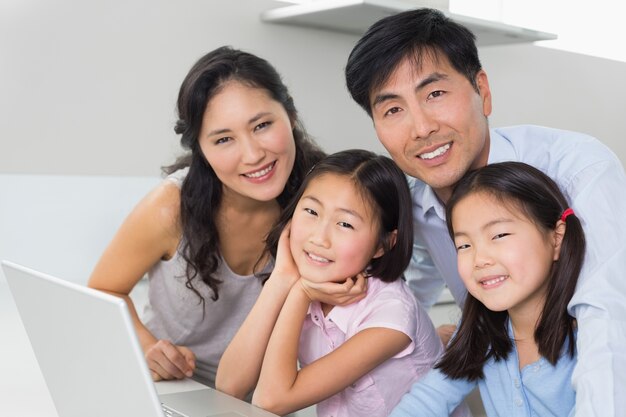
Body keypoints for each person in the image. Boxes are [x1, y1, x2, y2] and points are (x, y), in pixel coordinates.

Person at [345, 8, 626, 415]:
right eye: (393, 110)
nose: (421, 128)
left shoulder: (578, 169)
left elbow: (608, 320)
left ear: (483, 90)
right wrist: (418, 333)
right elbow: (414, 279)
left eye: (435, 94)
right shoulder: (412, 201)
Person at [87, 46, 327, 387]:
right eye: (224, 139)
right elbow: (103, 291)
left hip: (265, 398)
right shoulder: (171, 207)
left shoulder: (324, 199)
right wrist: (150, 348)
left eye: (261, 125)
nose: (253, 154)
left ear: (289, 114)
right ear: (200, 148)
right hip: (171, 388)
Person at [218, 149, 469, 417]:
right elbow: (229, 385)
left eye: (345, 224)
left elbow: (270, 400)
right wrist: (281, 280)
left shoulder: (391, 315)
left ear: (383, 244)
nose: (319, 238)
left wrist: (300, 294)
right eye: (311, 211)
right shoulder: (308, 283)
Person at [390, 161, 585, 416]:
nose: (480, 259)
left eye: (499, 235)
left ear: (556, 237)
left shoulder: (592, 337)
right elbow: (428, 399)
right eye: (464, 245)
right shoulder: (482, 328)